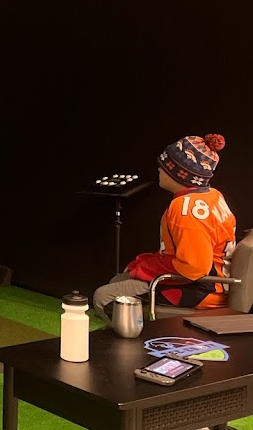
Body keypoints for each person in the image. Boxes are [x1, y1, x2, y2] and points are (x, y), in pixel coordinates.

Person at [92, 133, 236, 322]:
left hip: (198, 291)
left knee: (104, 299)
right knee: (120, 280)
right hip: (209, 284)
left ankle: (135, 339)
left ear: (179, 173)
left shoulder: (185, 209)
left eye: (165, 165)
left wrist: (145, 270)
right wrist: (145, 263)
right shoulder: (213, 195)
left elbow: (194, 267)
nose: (159, 169)